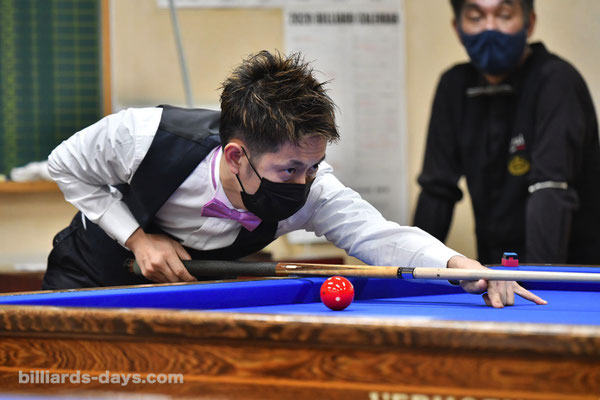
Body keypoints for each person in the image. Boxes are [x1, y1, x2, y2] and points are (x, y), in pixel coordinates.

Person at [45, 50, 545, 308]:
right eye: (289, 169)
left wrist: (459, 265)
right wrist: (136, 237)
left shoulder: (312, 189)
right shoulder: (143, 135)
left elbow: (378, 235)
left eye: (313, 166)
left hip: (185, 298)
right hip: (87, 281)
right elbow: (64, 165)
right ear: (237, 156)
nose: (303, 182)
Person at [414, 0, 600, 265]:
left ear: (529, 23)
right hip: (495, 270)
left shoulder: (557, 81)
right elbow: (437, 190)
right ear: (457, 28)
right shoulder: (454, 86)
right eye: (476, 17)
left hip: (568, 272)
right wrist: (413, 271)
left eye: (504, 15)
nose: (490, 28)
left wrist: (536, 281)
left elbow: (550, 190)